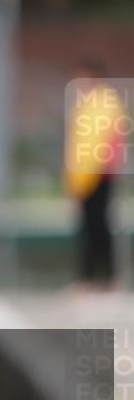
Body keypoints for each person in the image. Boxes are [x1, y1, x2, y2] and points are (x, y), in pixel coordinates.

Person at [64, 60, 128, 290]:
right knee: (89, 225)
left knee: (98, 224)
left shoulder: (105, 104)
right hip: (85, 174)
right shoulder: (86, 105)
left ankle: (103, 278)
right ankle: (92, 278)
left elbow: (105, 141)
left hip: (100, 173)